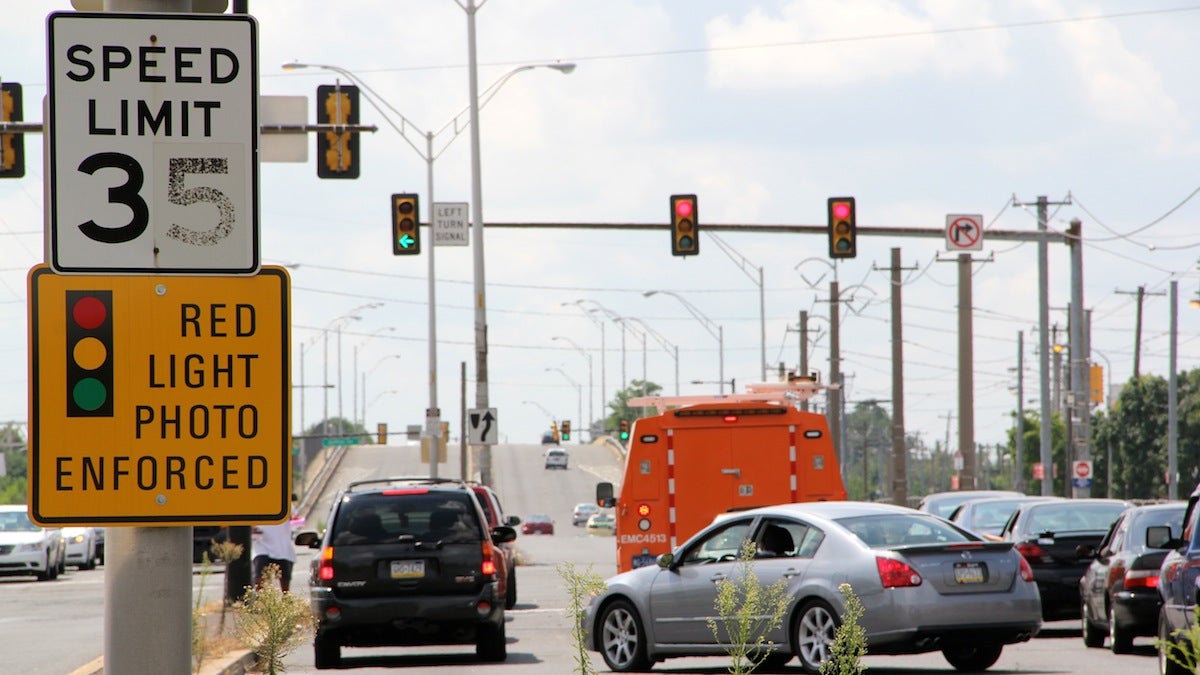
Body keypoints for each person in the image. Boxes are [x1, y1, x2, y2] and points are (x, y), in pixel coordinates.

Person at [252, 496, 299, 592]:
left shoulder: (284, 502)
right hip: (262, 544)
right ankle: (261, 602)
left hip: (282, 546)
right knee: (259, 578)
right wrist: (253, 529)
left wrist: (295, 520)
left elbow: (295, 518)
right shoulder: (255, 500)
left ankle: (285, 603)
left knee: (285, 583)